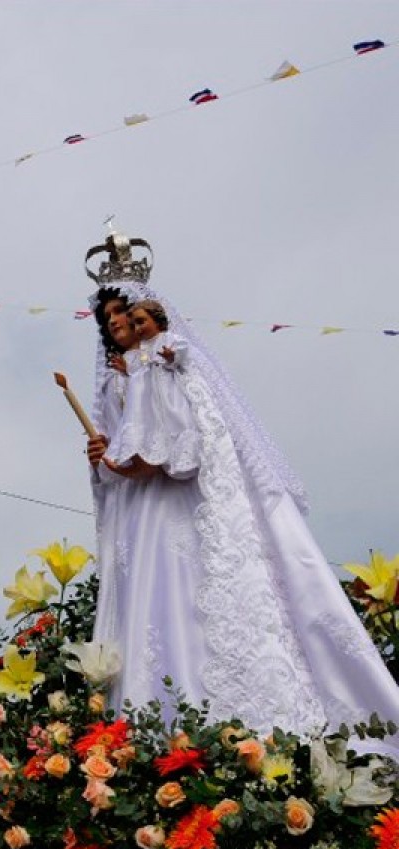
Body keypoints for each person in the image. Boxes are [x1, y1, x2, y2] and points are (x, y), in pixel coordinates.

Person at [83, 231, 399, 743]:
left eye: (127, 314)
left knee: (197, 604)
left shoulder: (168, 366)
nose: (119, 324)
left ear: (154, 319)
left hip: (181, 505)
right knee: (152, 614)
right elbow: (121, 444)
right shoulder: (121, 379)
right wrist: (104, 459)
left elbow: (184, 444)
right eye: (111, 319)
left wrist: (130, 463)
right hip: (141, 515)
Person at [104, 299, 197, 480]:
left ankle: (183, 456)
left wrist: (172, 357)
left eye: (140, 322)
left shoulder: (169, 339)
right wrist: (127, 369)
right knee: (141, 423)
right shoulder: (144, 349)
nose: (138, 329)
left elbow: (182, 352)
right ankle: (141, 462)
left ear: (157, 320)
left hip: (168, 393)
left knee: (176, 421)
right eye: (134, 325)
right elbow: (141, 368)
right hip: (148, 396)